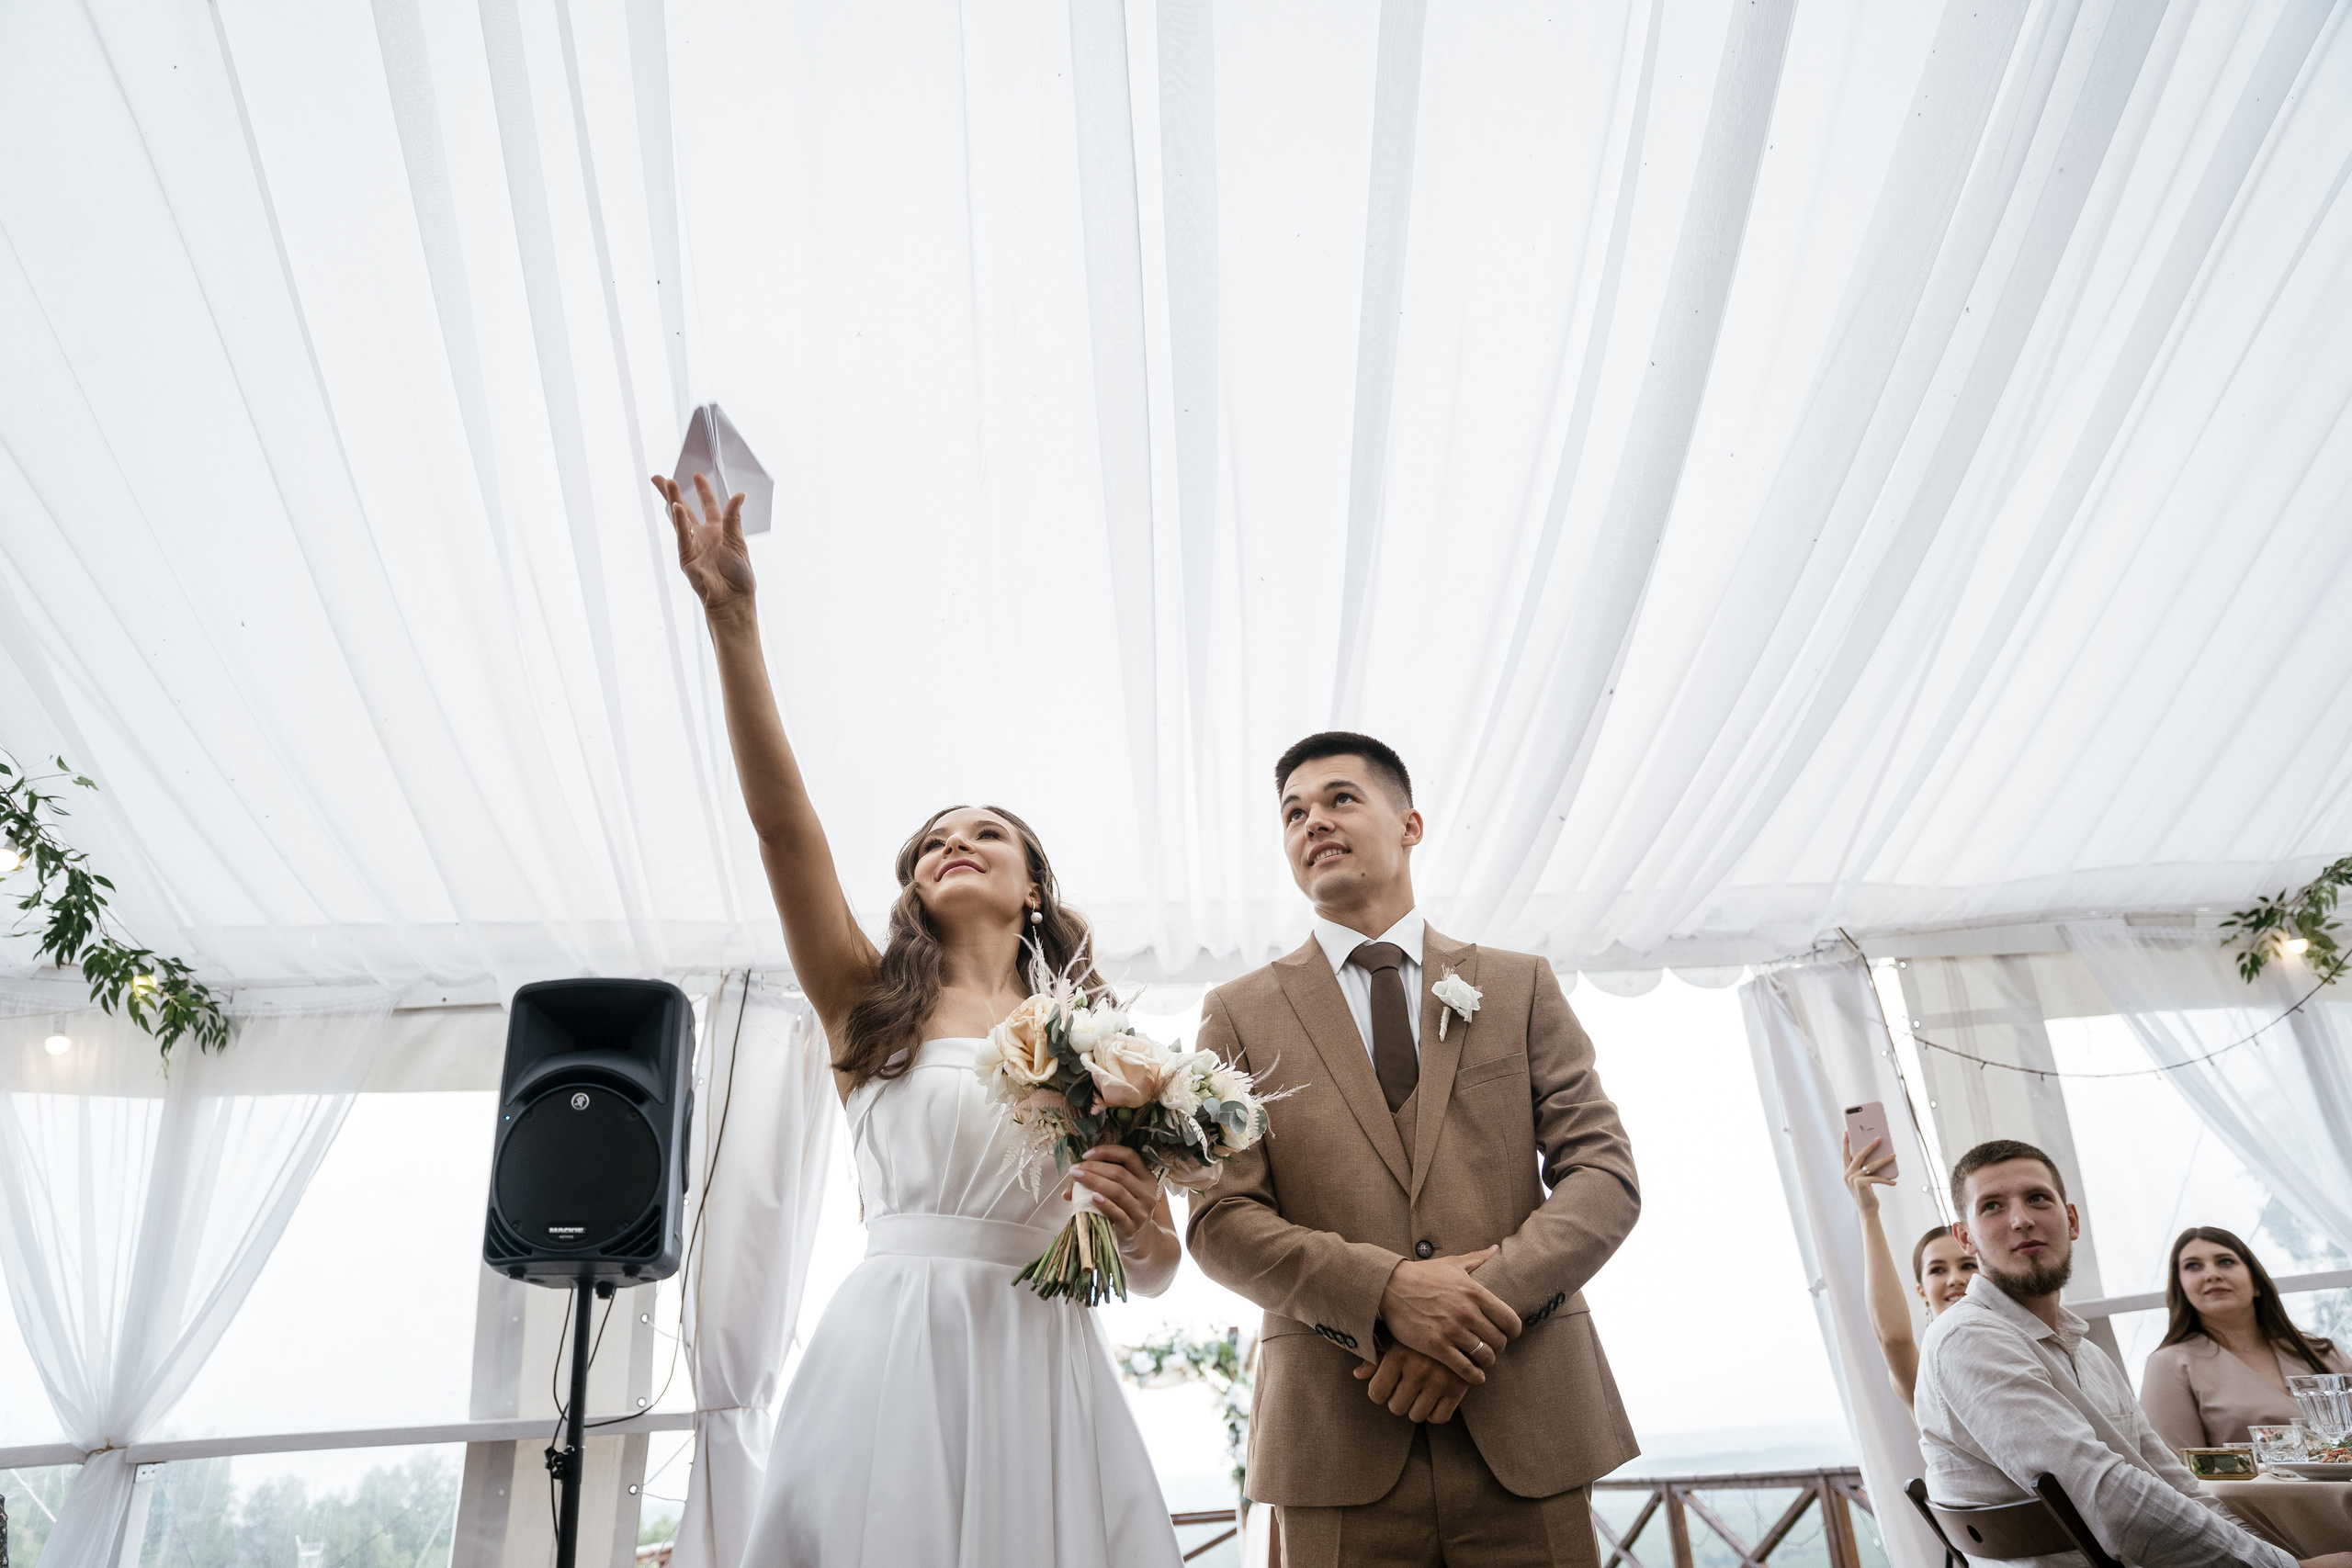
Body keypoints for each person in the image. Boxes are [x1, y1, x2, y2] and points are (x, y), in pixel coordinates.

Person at [653, 473, 1182, 1568]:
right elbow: (782, 833)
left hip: (1043, 1359)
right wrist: (732, 621)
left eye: (983, 831)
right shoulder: (862, 1003)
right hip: (892, 1351)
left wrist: (1140, 1226)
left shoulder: (1108, 1052)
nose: (952, 841)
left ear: (1033, 882)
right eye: (932, 840)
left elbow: (1155, 1263)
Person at [1185, 731, 1641, 1567]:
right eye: (1292, 813)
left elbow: (1604, 1177)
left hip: (1527, 1425)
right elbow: (1219, 1220)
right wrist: (1385, 1293)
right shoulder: (1238, 1012)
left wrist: (1473, 1314)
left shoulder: (1519, 984)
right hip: (1337, 1436)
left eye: (1339, 799)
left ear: (1410, 824)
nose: (1311, 820)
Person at [1913, 1138, 2352, 1568]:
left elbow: (2177, 1484)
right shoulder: (1968, 1337)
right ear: (1965, 1238)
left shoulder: (2089, 1357)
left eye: (2037, 1199)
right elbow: (2109, 1498)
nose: (2021, 1219)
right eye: (1992, 1206)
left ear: (2071, 1221)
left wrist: (2280, 1562)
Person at [2141, 1225, 2350, 1450]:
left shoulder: (2320, 1352)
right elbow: (2178, 1473)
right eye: (2193, 1266)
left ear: (2256, 1283)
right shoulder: (2169, 1364)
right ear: (2181, 1289)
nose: (2212, 1274)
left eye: (2225, 1261)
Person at [1843, 1132, 1979, 1406]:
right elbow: (1894, 1339)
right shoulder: (1927, 1370)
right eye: (1937, 1271)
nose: (1955, 1279)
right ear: (1921, 1291)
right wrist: (1868, 1213)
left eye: (1967, 1265)